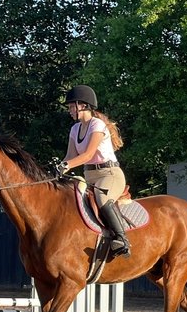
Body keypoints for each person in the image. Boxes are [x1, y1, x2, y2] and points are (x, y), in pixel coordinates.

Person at [53, 85, 131, 257]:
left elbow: (88, 154)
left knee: (102, 198)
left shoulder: (97, 125)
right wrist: (59, 166)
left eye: (72, 107)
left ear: (84, 105)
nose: (70, 111)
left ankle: (122, 239)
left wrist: (67, 165)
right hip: (89, 176)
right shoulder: (74, 129)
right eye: (69, 108)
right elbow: (70, 156)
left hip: (109, 174)